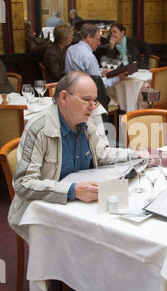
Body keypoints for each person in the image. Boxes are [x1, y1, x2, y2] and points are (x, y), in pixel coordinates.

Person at [8, 71, 142, 242]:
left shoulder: (86, 120)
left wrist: (133, 155)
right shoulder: (39, 129)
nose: (93, 107)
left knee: (121, 229)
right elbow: (23, 184)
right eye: (86, 100)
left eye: (94, 100)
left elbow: (100, 154)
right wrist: (72, 191)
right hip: (47, 210)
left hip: (82, 206)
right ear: (64, 98)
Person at [65, 23, 127, 114]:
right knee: (120, 99)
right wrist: (118, 78)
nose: (99, 43)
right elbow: (99, 86)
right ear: (89, 37)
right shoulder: (89, 57)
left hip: (72, 95)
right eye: (98, 39)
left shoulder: (70, 49)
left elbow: (80, 73)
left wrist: (99, 73)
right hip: (89, 101)